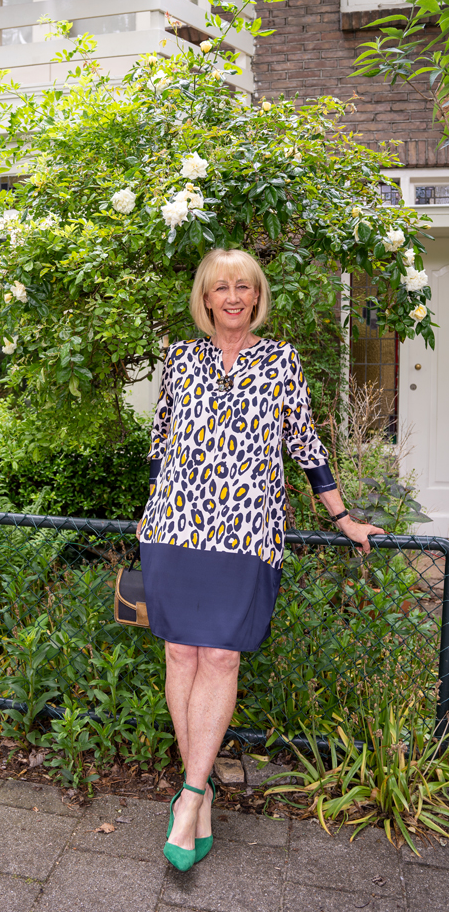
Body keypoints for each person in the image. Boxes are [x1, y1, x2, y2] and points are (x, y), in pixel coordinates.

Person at [137, 248, 383, 872]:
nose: (233, 297)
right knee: (178, 653)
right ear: (205, 298)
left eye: (243, 287)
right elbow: (161, 439)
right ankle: (202, 792)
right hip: (175, 523)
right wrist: (149, 504)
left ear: (256, 296)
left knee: (219, 654)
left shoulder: (280, 361)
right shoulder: (180, 357)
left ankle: (190, 796)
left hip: (247, 528)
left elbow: (304, 441)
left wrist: (341, 515)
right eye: (221, 287)